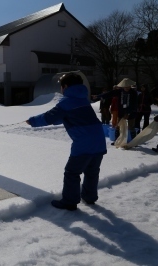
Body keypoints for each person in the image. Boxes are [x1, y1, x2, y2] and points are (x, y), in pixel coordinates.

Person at [26, 73, 107, 211]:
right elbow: (62, 117)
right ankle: (89, 197)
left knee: (72, 172)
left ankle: (69, 202)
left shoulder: (67, 102)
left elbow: (49, 117)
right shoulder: (83, 100)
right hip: (99, 140)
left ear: (66, 86)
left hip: (84, 143)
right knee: (92, 171)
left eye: (61, 87)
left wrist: (32, 121)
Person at [93, 78, 138, 144]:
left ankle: (134, 142)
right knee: (118, 126)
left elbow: (134, 104)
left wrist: (128, 113)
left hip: (131, 112)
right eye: (125, 86)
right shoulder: (119, 91)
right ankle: (116, 141)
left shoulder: (134, 93)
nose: (126, 88)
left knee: (131, 127)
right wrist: (98, 96)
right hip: (121, 111)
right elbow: (109, 94)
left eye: (128, 86)